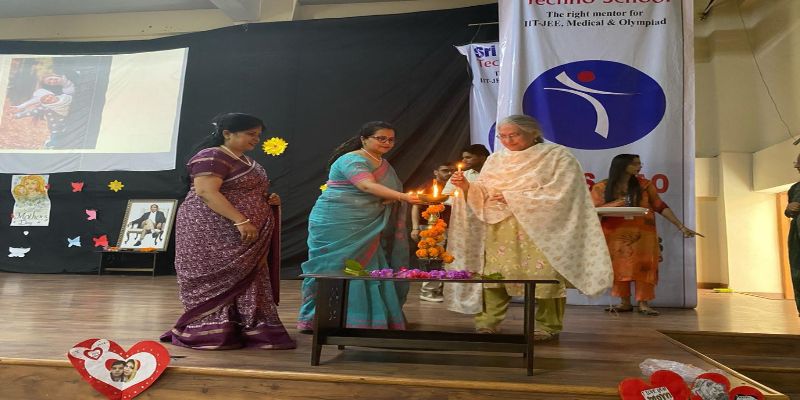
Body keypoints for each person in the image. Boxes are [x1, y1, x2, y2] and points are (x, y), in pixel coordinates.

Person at [449, 115, 612, 340]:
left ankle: (547, 326)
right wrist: (467, 187)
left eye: (514, 135)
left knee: (545, 279)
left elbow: (564, 192)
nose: (508, 141)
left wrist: (514, 197)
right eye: (502, 136)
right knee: (496, 277)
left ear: (533, 133)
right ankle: (488, 322)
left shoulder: (557, 156)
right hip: (501, 228)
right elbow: (484, 191)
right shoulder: (496, 159)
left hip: (541, 229)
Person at [160, 113, 295, 350]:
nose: (256, 139)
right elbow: (206, 192)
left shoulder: (245, 160)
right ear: (227, 133)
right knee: (215, 277)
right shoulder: (212, 156)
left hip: (241, 232)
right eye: (251, 134)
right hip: (211, 229)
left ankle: (249, 328)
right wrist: (241, 220)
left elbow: (243, 190)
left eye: (258, 135)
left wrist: (266, 199)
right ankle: (211, 331)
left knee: (249, 275)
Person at [297, 121, 421, 331]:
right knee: (335, 266)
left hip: (368, 223)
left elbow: (380, 192)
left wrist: (391, 198)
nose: (387, 143)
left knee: (368, 266)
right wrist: (403, 197)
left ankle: (367, 319)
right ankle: (320, 318)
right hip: (338, 221)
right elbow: (365, 185)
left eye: (391, 139)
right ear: (364, 139)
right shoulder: (352, 159)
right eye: (381, 138)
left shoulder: (382, 163)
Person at [591, 154, 700, 316]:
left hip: (643, 235)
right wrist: (619, 203)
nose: (639, 166)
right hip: (615, 235)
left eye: (639, 163)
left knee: (645, 267)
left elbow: (660, 206)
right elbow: (593, 210)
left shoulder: (644, 185)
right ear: (622, 166)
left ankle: (644, 303)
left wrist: (681, 226)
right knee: (619, 267)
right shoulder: (601, 187)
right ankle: (624, 302)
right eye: (635, 164)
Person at [441, 144, 490, 314]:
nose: (464, 161)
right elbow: (446, 196)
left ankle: (493, 295)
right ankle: (468, 296)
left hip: (490, 221)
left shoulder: (494, 172)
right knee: (467, 258)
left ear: (482, 157)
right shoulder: (461, 175)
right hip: (466, 225)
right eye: (463, 157)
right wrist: (463, 193)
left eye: (468, 157)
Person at [411, 160, 455, 302]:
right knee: (432, 259)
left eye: (452, 171)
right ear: (436, 172)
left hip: (451, 226)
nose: (449, 173)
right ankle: (427, 291)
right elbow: (416, 206)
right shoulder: (429, 186)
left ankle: (441, 291)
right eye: (445, 170)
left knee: (447, 260)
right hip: (430, 228)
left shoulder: (454, 186)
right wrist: (415, 227)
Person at [784, 152, 800, 317]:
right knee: (797, 271)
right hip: (796, 235)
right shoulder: (795, 188)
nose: (797, 167)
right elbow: (789, 212)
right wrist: (788, 209)